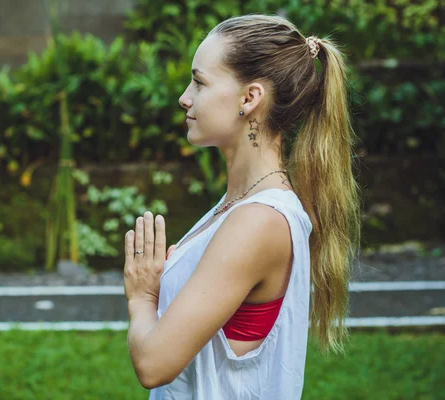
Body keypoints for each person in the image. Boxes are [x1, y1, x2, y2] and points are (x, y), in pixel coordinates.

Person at [123, 13, 362, 400]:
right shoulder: (242, 204)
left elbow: (154, 364)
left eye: (199, 82)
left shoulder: (258, 221)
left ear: (249, 99)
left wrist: (142, 297)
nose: (185, 97)